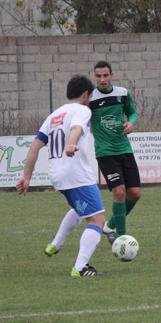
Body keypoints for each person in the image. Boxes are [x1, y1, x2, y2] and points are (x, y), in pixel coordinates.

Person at [16, 75, 105, 277]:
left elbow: (34, 147)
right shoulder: (82, 110)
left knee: (79, 209)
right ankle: (81, 268)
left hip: (59, 176)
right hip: (76, 174)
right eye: (89, 97)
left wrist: (26, 177)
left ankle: (55, 244)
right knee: (97, 220)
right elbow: (76, 128)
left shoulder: (53, 116)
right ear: (85, 95)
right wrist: (72, 143)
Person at [89, 61, 142, 243]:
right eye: (98, 76)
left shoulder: (122, 93)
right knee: (119, 191)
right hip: (105, 152)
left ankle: (110, 225)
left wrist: (131, 122)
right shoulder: (90, 99)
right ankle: (121, 238)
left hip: (124, 149)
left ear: (111, 75)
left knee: (134, 193)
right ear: (94, 76)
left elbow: (132, 113)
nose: (102, 79)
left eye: (105, 75)